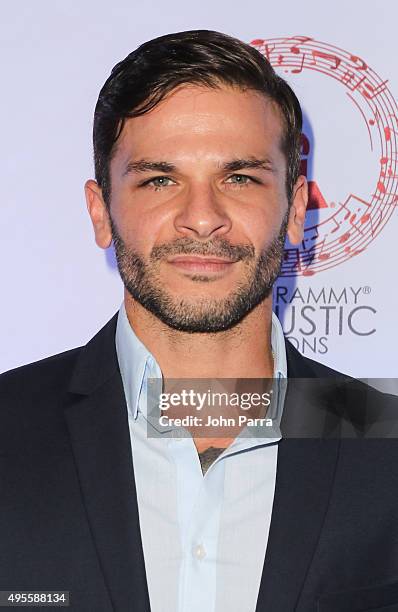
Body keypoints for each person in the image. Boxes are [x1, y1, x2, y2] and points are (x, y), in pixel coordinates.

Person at [1, 29, 398, 612]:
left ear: (293, 211)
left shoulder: (384, 439)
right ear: (101, 211)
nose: (202, 218)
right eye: (160, 179)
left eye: (239, 178)